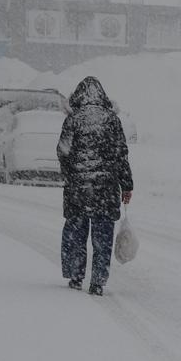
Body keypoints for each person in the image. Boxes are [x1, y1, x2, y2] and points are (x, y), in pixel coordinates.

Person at [56, 77, 133, 296]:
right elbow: (121, 155)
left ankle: (75, 275)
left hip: (78, 190)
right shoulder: (112, 120)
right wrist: (126, 185)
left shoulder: (73, 120)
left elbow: (63, 151)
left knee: (76, 233)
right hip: (105, 189)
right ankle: (98, 281)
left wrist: (70, 175)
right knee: (103, 237)